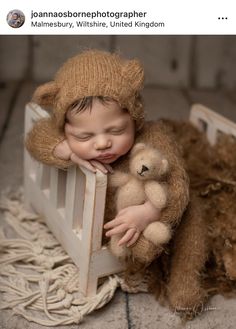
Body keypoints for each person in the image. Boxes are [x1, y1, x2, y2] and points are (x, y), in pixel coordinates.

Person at [25, 49, 189, 250]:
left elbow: (178, 186)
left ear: (134, 120)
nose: (102, 143)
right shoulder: (62, 134)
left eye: (117, 130)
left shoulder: (152, 139)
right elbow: (37, 136)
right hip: (94, 226)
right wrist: (67, 149)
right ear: (65, 131)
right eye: (84, 136)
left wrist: (148, 212)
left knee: (172, 240)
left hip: (134, 224)